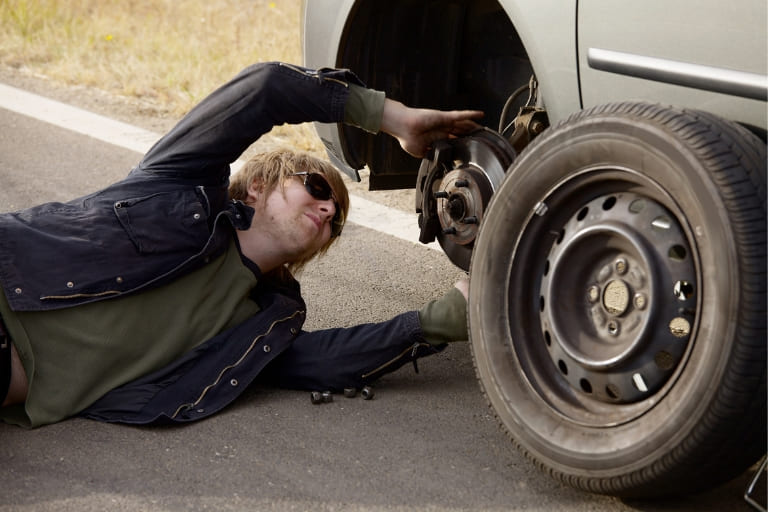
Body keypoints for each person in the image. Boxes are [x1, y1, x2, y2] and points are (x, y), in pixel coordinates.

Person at [0, 62, 482, 428]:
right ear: (256, 186)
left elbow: (330, 359)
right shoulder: (175, 186)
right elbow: (266, 88)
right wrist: (393, 119)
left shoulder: (266, 321)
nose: (329, 210)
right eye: (316, 188)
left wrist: (449, 316)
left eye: (336, 218)